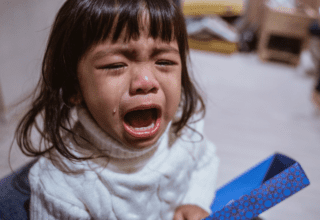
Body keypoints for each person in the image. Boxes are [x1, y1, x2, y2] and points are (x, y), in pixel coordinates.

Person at [14, 0, 219, 219]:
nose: (146, 81)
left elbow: (205, 159)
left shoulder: (183, 130)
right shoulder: (62, 185)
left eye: (164, 61)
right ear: (74, 87)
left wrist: (195, 199)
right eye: (115, 65)